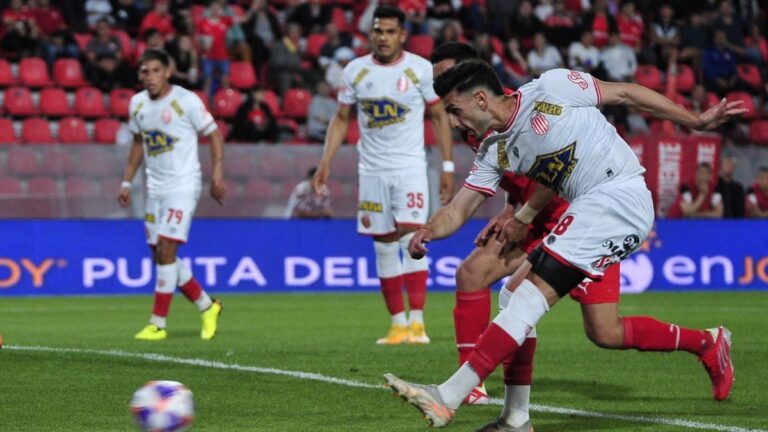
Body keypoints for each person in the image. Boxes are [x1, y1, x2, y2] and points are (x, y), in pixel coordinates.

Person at [384, 60, 744, 429]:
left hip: (619, 196)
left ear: (479, 99)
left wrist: (695, 120)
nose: (455, 123)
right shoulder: (494, 150)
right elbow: (459, 208)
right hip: (587, 209)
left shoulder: (552, 88)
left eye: (455, 111)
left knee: (528, 297)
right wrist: (428, 229)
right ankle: (515, 418)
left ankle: (448, 396)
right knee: (527, 300)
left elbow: (625, 92)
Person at [311, 6, 455, 346]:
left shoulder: (419, 69)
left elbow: (438, 116)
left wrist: (447, 166)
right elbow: (341, 117)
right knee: (383, 243)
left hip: (409, 168)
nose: (383, 37)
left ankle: (418, 324)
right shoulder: (356, 71)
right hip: (371, 170)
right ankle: (397, 325)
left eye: (390, 31)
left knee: (410, 238)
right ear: (371, 33)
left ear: (402, 35)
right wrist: (325, 161)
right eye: (378, 30)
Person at [118, 48, 227, 342]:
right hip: (156, 188)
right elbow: (138, 144)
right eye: (144, 71)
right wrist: (127, 182)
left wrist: (216, 175)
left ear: (168, 71)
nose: (149, 77)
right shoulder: (137, 104)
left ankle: (158, 323)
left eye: (155, 70)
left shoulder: (186, 101)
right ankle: (207, 305)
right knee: (159, 255)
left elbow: (214, 134)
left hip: (183, 185)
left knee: (167, 249)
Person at [716, 153, 745, 218]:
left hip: (736, 224)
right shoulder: (715, 186)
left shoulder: (738, 188)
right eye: (726, 163)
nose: (729, 166)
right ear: (721, 166)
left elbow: (741, 210)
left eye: (731, 164)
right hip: (718, 223)